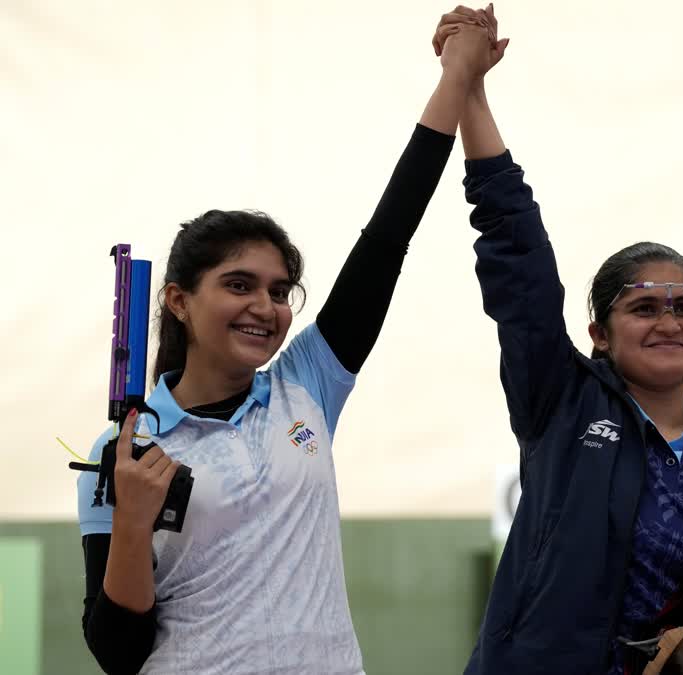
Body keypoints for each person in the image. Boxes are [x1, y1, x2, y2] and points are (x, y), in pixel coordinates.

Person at [75, 24, 495, 674]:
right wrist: (131, 519)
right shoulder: (124, 451)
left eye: (279, 290)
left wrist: (455, 79)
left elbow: (390, 233)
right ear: (179, 300)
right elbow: (118, 653)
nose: (266, 307)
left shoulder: (308, 384)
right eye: (239, 285)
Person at [432, 7, 683, 674]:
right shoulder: (561, 401)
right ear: (598, 335)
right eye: (643, 307)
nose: (669, 320)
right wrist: (471, 94)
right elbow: (518, 260)